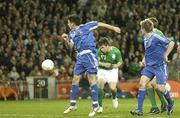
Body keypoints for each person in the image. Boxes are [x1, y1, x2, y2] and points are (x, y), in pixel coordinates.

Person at [60, 14, 120, 117]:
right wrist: (66, 40)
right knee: (75, 79)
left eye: (68, 22)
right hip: (79, 57)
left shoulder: (86, 26)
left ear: (73, 23)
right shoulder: (71, 33)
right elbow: (71, 47)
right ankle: (73, 104)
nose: (68, 24)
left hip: (89, 54)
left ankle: (95, 105)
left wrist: (113, 28)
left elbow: (99, 24)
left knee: (92, 79)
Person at [130, 19, 174, 116]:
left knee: (160, 88)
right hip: (149, 67)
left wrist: (165, 55)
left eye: (141, 28)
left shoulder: (156, 36)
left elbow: (171, 43)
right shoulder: (145, 38)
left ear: (144, 29)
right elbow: (148, 52)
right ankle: (139, 110)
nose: (140, 30)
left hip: (159, 67)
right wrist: (143, 61)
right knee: (142, 84)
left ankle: (170, 103)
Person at [145, 17, 168, 114]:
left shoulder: (157, 34)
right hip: (153, 64)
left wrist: (164, 56)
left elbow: (166, 45)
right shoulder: (150, 35)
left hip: (159, 64)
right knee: (149, 85)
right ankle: (159, 105)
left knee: (153, 85)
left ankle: (166, 102)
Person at [96, 37, 123, 113]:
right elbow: (96, 62)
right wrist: (104, 64)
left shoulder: (116, 51)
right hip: (102, 70)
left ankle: (114, 97)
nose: (101, 49)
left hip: (112, 70)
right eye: (100, 47)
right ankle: (99, 106)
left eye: (103, 47)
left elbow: (120, 62)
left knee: (112, 88)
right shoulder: (99, 51)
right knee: (100, 83)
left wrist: (114, 66)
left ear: (107, 45)